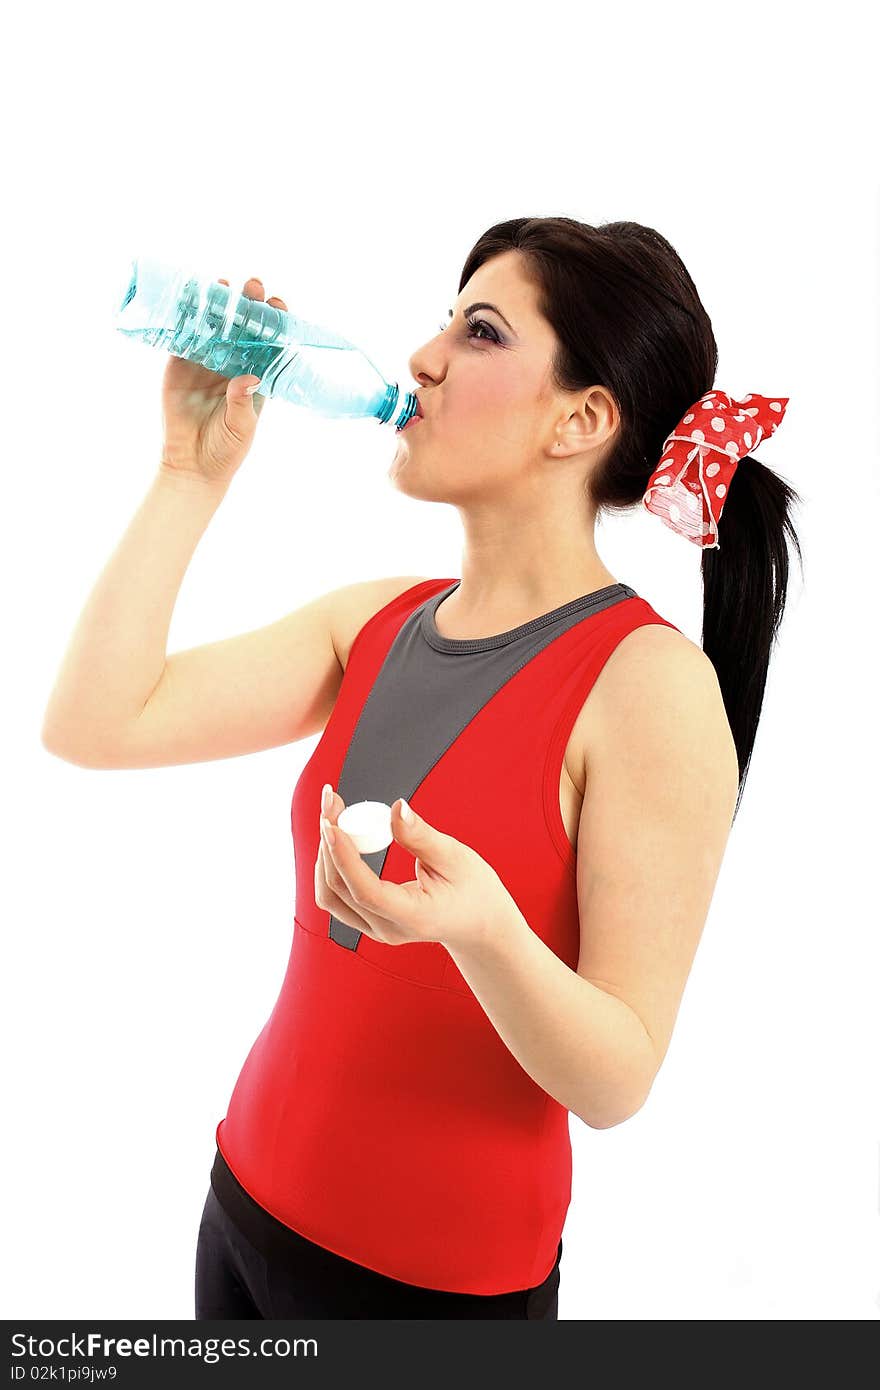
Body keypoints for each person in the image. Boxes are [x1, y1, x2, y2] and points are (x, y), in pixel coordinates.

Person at [41, 218, 803, 1319]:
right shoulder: (375, 619)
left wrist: (487, 932)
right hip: (242, 1211)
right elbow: (95, 723)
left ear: (581, 419)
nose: (423, 357)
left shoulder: (647, 686)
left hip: (432, 1293)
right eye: (447, 318)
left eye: (480, 332)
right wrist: (185, 474)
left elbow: (617, 1078)